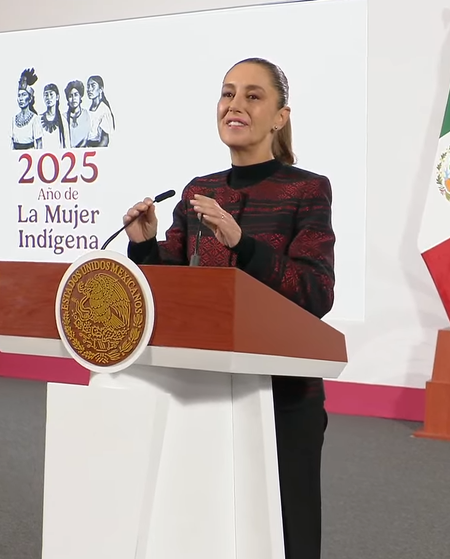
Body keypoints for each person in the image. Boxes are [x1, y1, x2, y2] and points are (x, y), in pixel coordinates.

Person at [122, 57, 335, 559]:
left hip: (283, 394)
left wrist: (244, 244)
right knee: (210, 525)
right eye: (227, 93)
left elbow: (315, 292)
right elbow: (172, 294)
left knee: (288, 530)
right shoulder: (199, 191)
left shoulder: (307, 189)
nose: (235, 105)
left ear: (280, 116)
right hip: (204, 388)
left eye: (253, 96)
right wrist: (146, 247)